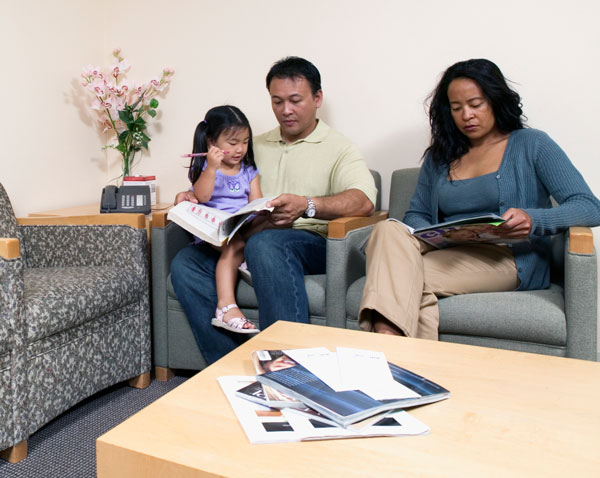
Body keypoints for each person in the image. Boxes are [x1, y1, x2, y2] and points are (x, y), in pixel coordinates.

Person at [358, 58, 600, 339]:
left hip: (509, 258)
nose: (467, 116)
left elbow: (589, 206)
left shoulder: (532, 144)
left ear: (495, 101)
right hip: (450, 252)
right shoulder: (441, 156)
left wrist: (534, 220)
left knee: (398, 280)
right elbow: (416, 215)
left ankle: (386, 351)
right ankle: (405, 365)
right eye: (457, 108)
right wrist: (435, 234)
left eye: (475, 104)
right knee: (388, 230)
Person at [171, 57, 377, 364]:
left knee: (265, 244)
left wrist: (307, 205)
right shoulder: (252, 144)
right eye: (277, 101)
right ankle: (229, 366)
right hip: (246, 238)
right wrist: (190, 196)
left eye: (295, 100)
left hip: (310, 243)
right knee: (186, 261)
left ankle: (288, 365)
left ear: (317, 99)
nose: (286, 110)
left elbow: (364, 200)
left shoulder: (338, 147)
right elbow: (220, 185)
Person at [186, 105, 264, 334]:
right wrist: (211, 167)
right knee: (235, 245)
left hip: (240, 225)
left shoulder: (248, 170)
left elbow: (256, 202)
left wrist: (264, 209)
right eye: (232, 142)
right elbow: (201, 196)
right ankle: (226, 307)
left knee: (273, 223)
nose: (240, 148)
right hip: (214, 228)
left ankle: (245, 260)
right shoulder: (209, 168)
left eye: (245, 141)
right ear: (212, 143)